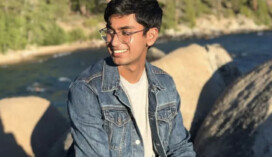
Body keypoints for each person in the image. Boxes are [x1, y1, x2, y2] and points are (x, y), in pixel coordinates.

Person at [67, 0, 196, 156]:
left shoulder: (164, 83)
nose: (113, 42)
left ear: (151, 36)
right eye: (110, 31)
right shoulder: (86, 89)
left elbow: (180, 148)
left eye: (126, 33)